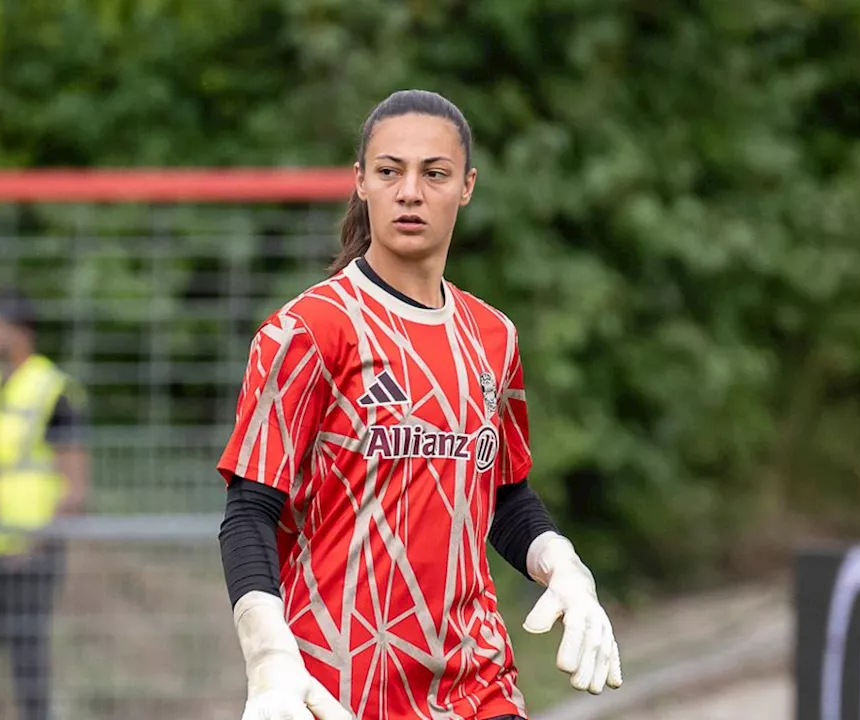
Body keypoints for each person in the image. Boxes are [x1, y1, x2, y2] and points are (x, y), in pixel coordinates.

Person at [216, 89, 623, 720]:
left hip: (476, 683)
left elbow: (503, 496)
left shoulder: (494, 337)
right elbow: (249, 510)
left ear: (466, 186)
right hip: (339, 686)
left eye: (434, 173)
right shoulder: (310, 330)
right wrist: (268, 661)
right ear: (361, 183)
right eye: (389, 171)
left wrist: (565, 568)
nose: (410, 191)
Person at [0, 287, 89, 720]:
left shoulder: (51, 390)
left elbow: (75, 486)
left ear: (17, 333)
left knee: (27, 656)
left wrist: (35, 543)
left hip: (32, 550)